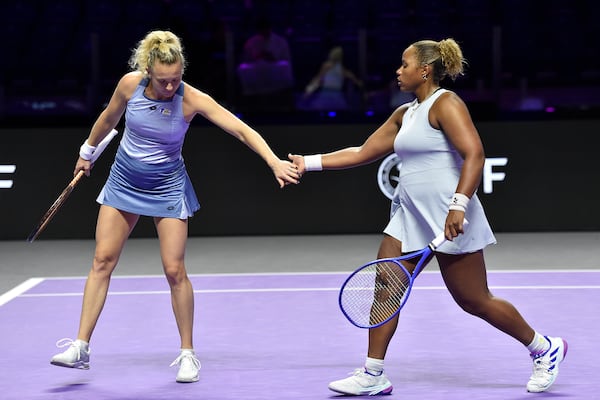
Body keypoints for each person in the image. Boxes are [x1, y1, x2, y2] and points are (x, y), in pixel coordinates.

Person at [289, 38, 566, 395]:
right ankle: (374, 374)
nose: (397, 70)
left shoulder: (445, 103)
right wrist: (309, 163)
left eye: (404, 65)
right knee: (386, 286)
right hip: (408, 216)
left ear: (424, 70)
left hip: (450, 216)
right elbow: (362, 151)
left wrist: (459, 205)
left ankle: (544, 348)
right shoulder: (404, 114)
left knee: (474, 300)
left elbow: (475, 154)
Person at [50, 30, 301, 383]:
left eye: (176, 80)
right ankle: (80, 346)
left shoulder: (192, 99)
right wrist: (86, 152)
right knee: (102, 261)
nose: (170, 88)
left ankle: (187, 353)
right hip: (124, 181)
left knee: (174, 270)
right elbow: (108, 119)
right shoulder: (129, 85)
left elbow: (241, 130)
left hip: (167, 188)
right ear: (148, 71)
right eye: (164, 81)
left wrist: (273, 160)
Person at [300, 46, 364, 111]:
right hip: (327, 94)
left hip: (337, 95)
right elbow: (318, 79)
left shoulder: (341, 68)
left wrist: (360, 84)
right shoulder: (328, 65)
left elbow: (352, 77)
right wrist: (308, 91)